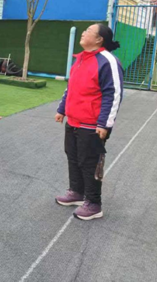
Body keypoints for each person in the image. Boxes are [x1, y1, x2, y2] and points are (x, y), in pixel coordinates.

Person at [55, 23, 123, 221]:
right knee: (73, 157)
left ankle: (94, 203)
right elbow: (71, 87)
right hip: (73, 121)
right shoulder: (80, 59)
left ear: (99, 39)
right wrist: (62, 109)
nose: (83, 33)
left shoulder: (108, 61)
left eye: (88, 31)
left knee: (90, 162)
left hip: (92, 125)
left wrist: (104, 124)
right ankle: (76, 192)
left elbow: (113, 93)